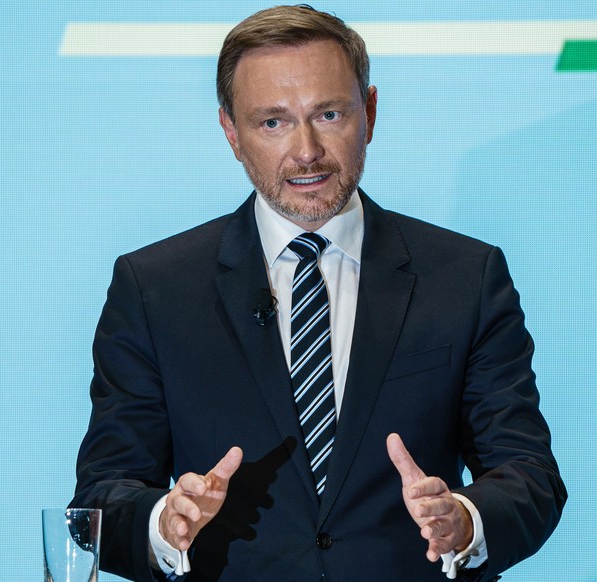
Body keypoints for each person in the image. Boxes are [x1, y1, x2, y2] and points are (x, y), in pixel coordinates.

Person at [70, 5, 566, 582]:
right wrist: (163, 523)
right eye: (272, 122)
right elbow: (101, 496)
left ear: (370, 113)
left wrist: (464, 519)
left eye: (328, 114)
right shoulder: (153, 288)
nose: (306, 151)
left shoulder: (465, 276)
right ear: (231, 132)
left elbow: (529, 474)